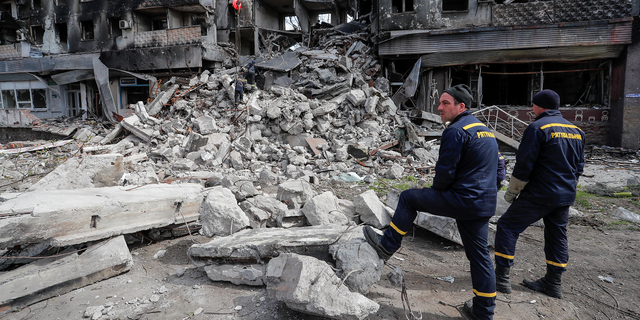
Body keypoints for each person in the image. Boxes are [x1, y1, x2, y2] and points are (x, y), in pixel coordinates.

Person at [364, 84, 499, 320]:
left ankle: (387, 245)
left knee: (408, 198)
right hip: (484, 203)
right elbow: (500, 170)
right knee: (480, 256)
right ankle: (483, 312)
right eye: (440, 103)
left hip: (462, 199)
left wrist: (435, 192)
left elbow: (445, 173)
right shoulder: (485, 131)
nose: (439, 107)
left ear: (461, 106)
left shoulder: (456, 131)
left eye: (446, 103)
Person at [493, 89, 585, 299]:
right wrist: (567, 187)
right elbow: (579, 167)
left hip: (540, 193)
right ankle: (553, 283)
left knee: (507, 226)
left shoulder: (537, 128)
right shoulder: (577, 131)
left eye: (532, 105)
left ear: (539, 106)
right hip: (565, 194)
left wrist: (512, 192)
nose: (531, 109)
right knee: (556, 235)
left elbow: (524, 164)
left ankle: (502, 279)